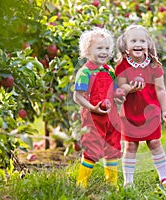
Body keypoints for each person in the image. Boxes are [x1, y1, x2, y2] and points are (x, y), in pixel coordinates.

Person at [115, 25, 166, 187]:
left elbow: (161, 90)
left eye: (142, 40)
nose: (137, 44)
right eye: (133, 41)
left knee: (154, 142)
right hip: (130, 113)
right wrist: (131, 88)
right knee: (130, 145)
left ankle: (164, 176)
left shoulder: (154, 65)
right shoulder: (122, 65)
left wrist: (165, 111)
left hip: (151, 111)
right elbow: (121, 89)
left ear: (148, 44)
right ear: (126, 45)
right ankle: (129, 181)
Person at [73, 27, 124, 188]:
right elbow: (77, 96)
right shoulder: (85, 72)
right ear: (88, 51)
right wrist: (92, 108)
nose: (104, 52)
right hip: (93, 117)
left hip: (112, 116)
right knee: (92, 148)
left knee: (113, 147)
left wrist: (119, 96)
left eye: (107, 48)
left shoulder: (110, 71)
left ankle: (112, 183)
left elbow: (114, 92)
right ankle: (82, 183)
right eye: (99, 48)